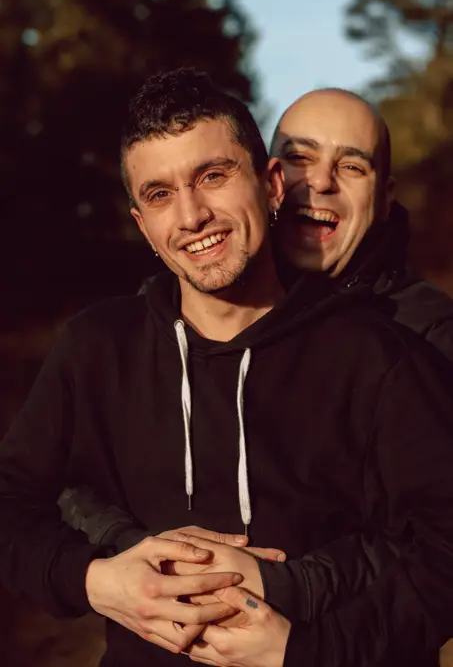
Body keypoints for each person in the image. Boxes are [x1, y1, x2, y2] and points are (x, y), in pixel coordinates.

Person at [3, 68, 453, 667]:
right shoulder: (97, 346)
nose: (191, 216)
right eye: (160, 194)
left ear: (270, 186)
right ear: (142, 223)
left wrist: (307, 651)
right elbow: (10, 500)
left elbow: (442, 555)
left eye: (212, 176)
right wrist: (96, 581)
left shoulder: (382, 357)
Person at [271, 87, 453, 361]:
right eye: (300, 158)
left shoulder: (431, 338)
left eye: (352, 167)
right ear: (265, 175)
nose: (321, 182)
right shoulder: (210, 307)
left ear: (384, 198)